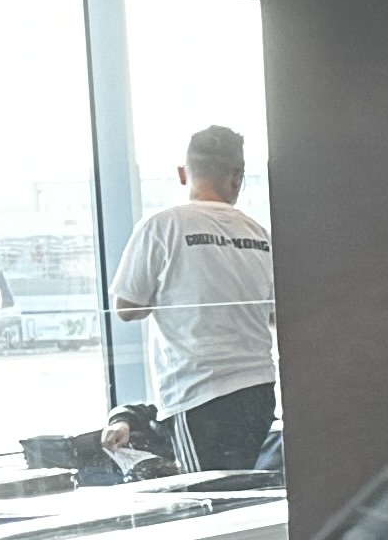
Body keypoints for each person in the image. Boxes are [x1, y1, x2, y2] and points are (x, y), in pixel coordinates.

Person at [109, 126, 280, 473]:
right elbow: (276, 315)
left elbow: (126, 308)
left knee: (205, 493)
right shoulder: (261, 235)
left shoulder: (162, 226)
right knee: (250, 491)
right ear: (237, 177)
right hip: (258, 390)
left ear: (183, 174)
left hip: (199, 390)